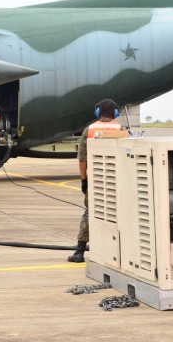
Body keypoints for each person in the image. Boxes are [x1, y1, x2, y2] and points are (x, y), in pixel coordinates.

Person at [68, 99, 122, 263]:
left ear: (98, 113)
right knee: (117, 213)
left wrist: (84, 180)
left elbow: (82, 159)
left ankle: (79, 252)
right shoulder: (120, 129)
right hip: (116, 178)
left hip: (96, 179)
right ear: (115, 113)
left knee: (90, 213)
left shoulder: (89, 130)